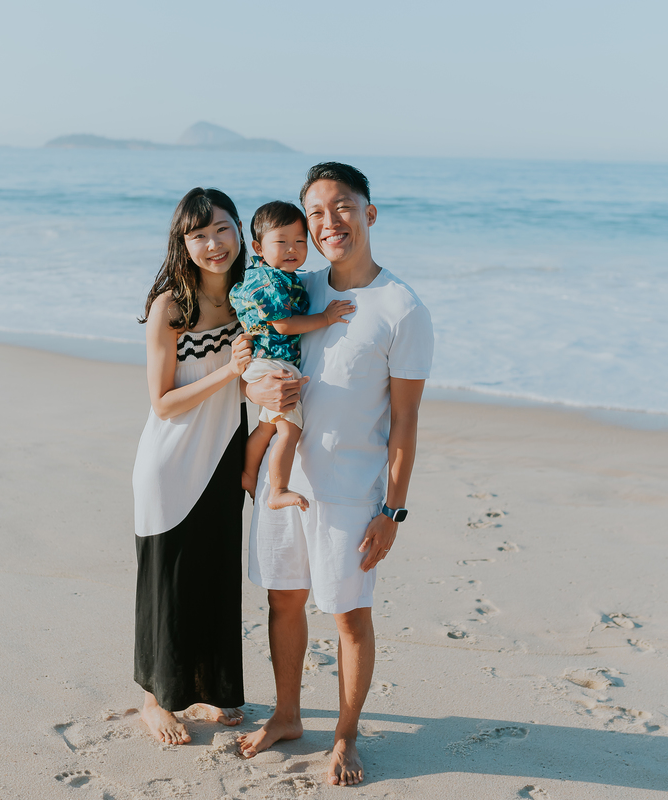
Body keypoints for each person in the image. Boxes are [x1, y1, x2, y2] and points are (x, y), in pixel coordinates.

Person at [237, 163, 434, 786]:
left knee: (348, 616)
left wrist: (392, 510)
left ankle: (346, 735)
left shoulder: (402, 308)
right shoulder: (298, 287)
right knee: (283, 601)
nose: (329, 223)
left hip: (351, 491)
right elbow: (255, 354)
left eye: (342, 206)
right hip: (286, 479)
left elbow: (405, 421)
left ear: (368, 213)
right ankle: (287, 715)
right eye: (315, 213)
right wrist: (249, 380)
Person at [131, 187, 255, 745]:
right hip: (171, 461)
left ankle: (205, 689)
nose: (213, 244)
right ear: (183, 243)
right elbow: (162, 402)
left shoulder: (250, 297)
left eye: (222, 229)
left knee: (215, 574)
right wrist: (229, 370)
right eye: (199, 235)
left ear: (239, 231)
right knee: (169, 580)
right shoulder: (171, 307)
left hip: (224, 453)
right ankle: (155, 700)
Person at [229, 200, 355, 510]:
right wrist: (325, 318)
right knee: (290, 429)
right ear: (258, 247)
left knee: (267, 427)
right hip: (272, 364)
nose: (292, 249)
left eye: (300, 241)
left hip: (264, 362)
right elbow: (284, 325)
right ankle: (278, 490)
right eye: (281, 242)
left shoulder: (276, 276)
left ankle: (247, 474)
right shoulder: (269, 280)